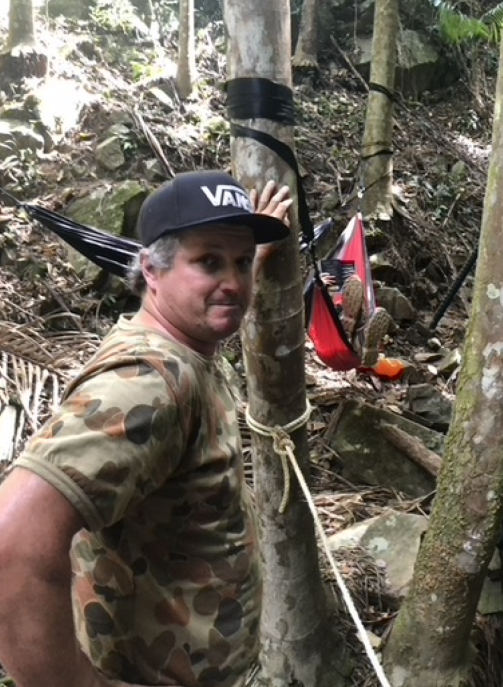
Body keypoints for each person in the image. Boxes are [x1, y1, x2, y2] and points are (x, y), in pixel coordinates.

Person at [0, 170, 293, 687]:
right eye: (208, 261)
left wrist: (249, 258)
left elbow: (217, 297)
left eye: (241, 262)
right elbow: (11, 546)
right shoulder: (150, 384)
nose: (233, 282)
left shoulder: (184, 343)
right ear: (151, 270)